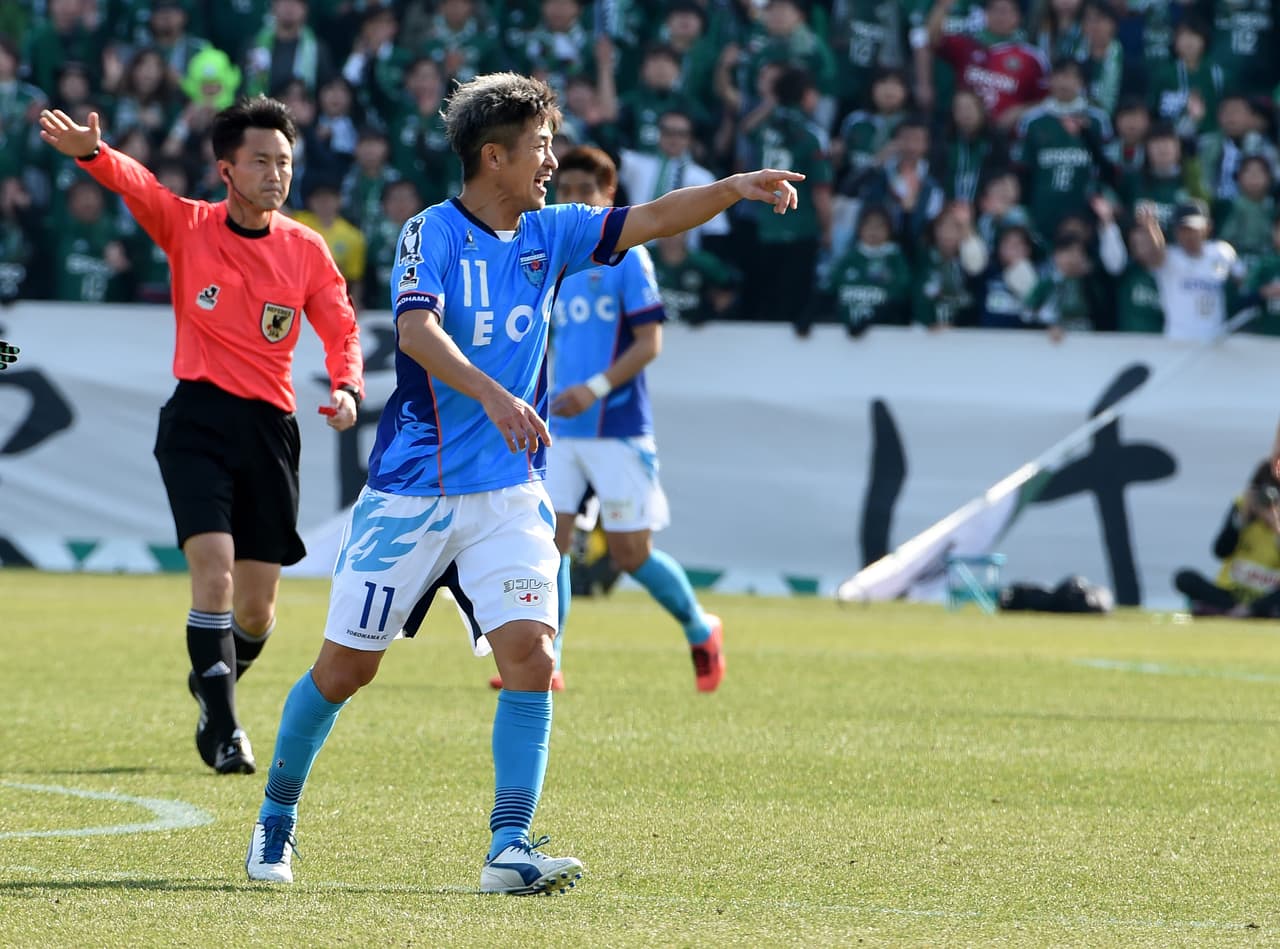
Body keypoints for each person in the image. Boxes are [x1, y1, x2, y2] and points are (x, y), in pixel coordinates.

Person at [241, 72, 802, 892]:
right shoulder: (429, 232)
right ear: (493, 156)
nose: (551, 161)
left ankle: (508, 846)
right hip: (413, 493)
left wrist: (735, 190)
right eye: (539, 147)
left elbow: (646, 219)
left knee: (533, 655)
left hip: (508, 493)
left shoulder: (556, 233)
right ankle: (276, 820)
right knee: (344, 671)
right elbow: (417, 332)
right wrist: (496, 393)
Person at [37, 98, 364, 776]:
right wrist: (93, 154)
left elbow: (340, 325)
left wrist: (347, 387)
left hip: (270, 432)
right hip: (197, 421)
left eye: (285, 162)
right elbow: (139, 185)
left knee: (256, 606)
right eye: (261, 161)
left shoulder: (305, 248)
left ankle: (211, 678)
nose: (276, 174)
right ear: (226, 168)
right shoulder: (188, 225)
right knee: (212, 572)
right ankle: (222, 725)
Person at [487, 144, 725, 695]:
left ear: (608, 197)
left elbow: (650, 342)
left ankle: (699, 626)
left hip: (617, 426)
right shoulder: (548, 256)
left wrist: (594, 389)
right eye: (564, 190)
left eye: (584, 192)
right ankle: (550, 658)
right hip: (559, 428)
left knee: (630, 553)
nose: (572, 200)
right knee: (550, 542)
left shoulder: (628, 257)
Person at [1174, 462, 1280, 618]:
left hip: (1267, 597)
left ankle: (1245, 611)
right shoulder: (1241, 507)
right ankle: (1240, 611)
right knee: (1184, 578)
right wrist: (1241, 520)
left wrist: (1274, 523)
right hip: (1230, 593)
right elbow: (1220, 551)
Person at [1138, 198, 1238, 341]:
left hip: (1216, 343)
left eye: (1193, 229)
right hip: (1178, 342)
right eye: (1183, 229)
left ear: (1207, 227)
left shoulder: (1222, 252)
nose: (1189, 235)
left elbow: (1242, 282)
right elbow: (1155, 254)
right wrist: (1151, 227)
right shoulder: (1170, 259)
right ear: (1176, 231)